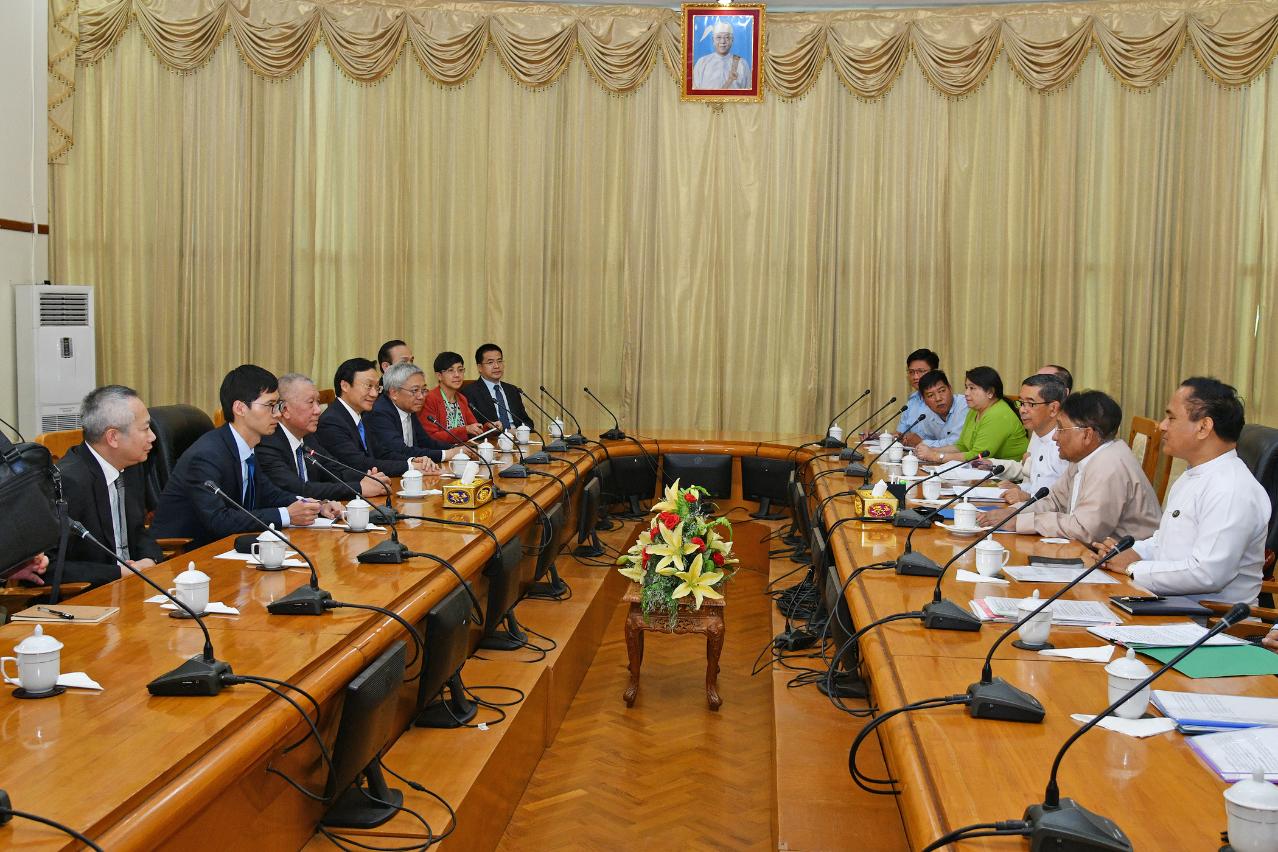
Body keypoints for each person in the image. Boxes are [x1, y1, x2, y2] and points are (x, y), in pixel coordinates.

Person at [1092, 378, 1270, 604]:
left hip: (1211, 618)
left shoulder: (1231, 488)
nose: (1162, 426)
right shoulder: (1191, 475)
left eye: (1172, 418)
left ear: (1203, 427)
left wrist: (1132, 567)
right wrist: (1126, 552)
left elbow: (1207, 574)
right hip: (1169, 604)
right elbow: (1164, 544)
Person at [152, 365, 339, 548]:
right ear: (240, 408)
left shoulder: (246, 448)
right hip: (183, 554)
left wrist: (315, 505)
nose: (277, 414)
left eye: (278, 406)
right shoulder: (206, 455)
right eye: (270, 406)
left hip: (227, 546)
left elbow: (271, 494)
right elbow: (218, 519)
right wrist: (286, 515)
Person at [977, 390, 1160, 543]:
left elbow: (1084, 530)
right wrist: (1012, 513)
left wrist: (1020, 522)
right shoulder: (1084, 456)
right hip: (1092, 552)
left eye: (1061, 428)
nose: (1055, 436)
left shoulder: (1109, 465)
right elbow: (1054, 501)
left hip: (1125, 565)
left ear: (1087, 435)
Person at [53, 385, 165, 586]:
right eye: (145, 429)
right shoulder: (67, 482)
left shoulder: (130, 466)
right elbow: (51, 567)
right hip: (90, 595)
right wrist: (117, 573)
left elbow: (138, 531)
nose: (153, 437)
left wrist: (149, 560)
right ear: (113, 437)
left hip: (133, 588)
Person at [258, 373, 393, 500]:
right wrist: (359, 488)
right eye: (310, 402)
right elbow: (299, 489)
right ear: (285, 409)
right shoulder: (267, 443)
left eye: (318, 402)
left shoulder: (308, 437)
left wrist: (368, 479)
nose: (318, 410)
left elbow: (335, 469)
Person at [317, 358, 438, 477]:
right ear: (345, 386)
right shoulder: (331, 421)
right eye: (368, 386)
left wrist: (412, 460)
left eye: (376, 387)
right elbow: (359, 464)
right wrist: (410, 467)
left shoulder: (361, 415)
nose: (374, 394)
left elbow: (381, 453)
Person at [914, 367, 1029, 464]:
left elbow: (977, 456)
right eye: (966, 387)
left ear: (990, 392)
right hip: (984, 471)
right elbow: (961, 446)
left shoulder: (998, 414)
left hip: (1007, 476)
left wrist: (935, 456)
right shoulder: (974, 410)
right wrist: (932, 450)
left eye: (972, 388)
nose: (966, 393)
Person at [368, 362, 469, 464]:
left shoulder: (409, 408)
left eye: (423, 390)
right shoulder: (380, 413)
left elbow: (425, 442)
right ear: (394, 393)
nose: (421, 396)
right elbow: (400, 450)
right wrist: (447, 454)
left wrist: (456, 448)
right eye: (415, 390)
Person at [994, 374, 1069, 501]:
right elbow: (1038, 485)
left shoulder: (1066, 444)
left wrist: (1028, 497)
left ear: (1053, 408)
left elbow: (1065, 500)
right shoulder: (1037, 434)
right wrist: (1020, 488)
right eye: (1022, 403)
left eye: (1031, 404)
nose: (1022, 410)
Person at [420, 351, 495, 445]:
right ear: (439, 376)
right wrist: (465, 430)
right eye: (451, 370)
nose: (457, 375)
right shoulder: (429, 399)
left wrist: (489, 427)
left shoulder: (462, 399)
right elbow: (431, 437)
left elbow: (474, 429)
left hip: (464, 450)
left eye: (460, 370)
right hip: (442, 451)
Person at [462, 343, 534, 431]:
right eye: (490, 362)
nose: (496, 366)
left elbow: (527, 422)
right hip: (492, 438)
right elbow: (475, 426)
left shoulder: (512, 390)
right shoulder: (469, 393)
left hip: (518, 436)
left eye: (499, 361)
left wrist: (521, 431)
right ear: (480, 367)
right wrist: (507, 432)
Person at [898, 370, 968, 449]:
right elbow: (925, 438)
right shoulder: (927, 414)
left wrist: (922, 442)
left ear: (950, 388)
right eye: (931, 395)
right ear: (924, 400)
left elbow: (958, 443)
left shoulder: (965, 405)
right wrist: (907, 440)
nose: (938, 398)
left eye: (941, 391)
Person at [691, 20, 751, 90]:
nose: (722, 41)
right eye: (718, 37)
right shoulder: (702, 63)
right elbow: (695, 90)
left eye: (727, 37)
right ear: (713, 40)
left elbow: (748, 91)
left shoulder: (742, 64)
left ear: (732, 40)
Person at [893, 349, 940, 436]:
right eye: (911, 372)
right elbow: (900, 434)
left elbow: (952, 440)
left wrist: (921, 442)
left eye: (921, 371)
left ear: (934, 372)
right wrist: (879, 436)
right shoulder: (912, 402)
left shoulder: (942, 401)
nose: (915, 377)